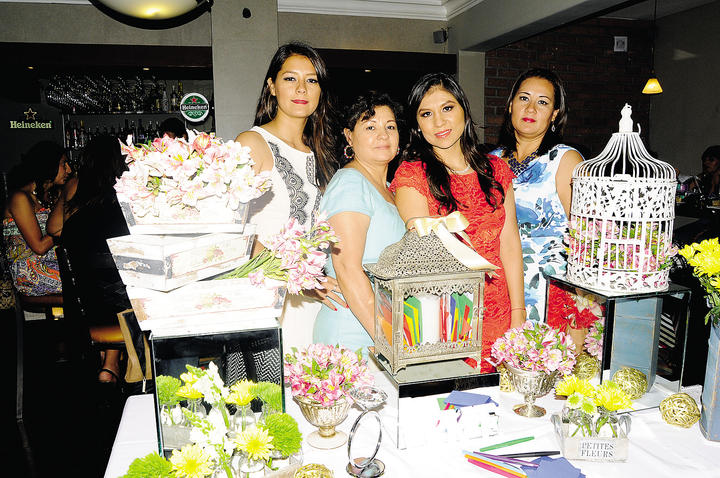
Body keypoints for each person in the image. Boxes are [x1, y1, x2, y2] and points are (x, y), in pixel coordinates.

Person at [391, 73, 525, 373]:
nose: (439, 122)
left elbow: (510, 245)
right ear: (417, 124)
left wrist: (519, 311)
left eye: (447, 108)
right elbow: (422, 259)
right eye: (427, 114)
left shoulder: (497, 170)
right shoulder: (412, 175)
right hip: (448, 318)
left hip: (501, 311)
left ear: (464, 110)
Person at [234, 42, 345, 351]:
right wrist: (300, 278)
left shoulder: (324, 154)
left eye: (311, 80)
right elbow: (233, 230)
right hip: (268, 297)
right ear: (272, 86)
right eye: (289, 78)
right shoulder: (253, 142)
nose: (301, 88)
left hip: (318, 302)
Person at [491, 68, 584, 339]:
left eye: (542, 102)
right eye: (524, 98)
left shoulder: (565, 160)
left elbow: (586, 238)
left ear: (555, 114)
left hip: (550, 291)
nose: (531, 107)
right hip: (500, 288)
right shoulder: (491, 161)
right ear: (510, 105)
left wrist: (583, 305)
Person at [313, 92, 406, 352]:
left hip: (385, 322)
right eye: (370, 127)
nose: (383, 135)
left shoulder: (391, 189)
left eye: (390, 126)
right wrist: (390, 340)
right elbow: (347, 269)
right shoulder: (350, 183)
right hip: (355, 330)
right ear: (349, 137)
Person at [48, 135, 130, 384]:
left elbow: (53, 228)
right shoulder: (128, 187)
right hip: (120, 298)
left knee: (98, 279)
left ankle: (108, 358)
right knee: (119, 282)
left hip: (84, 301)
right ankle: (112, 362)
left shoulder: (74, 184)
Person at [3, 141, 70, 296]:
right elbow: (39, 247)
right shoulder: (20, 198)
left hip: (57, 264)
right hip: (29, 273)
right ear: (48, 165)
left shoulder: (50, 197)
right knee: (90, 279)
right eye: (64, 164)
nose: (69, 169)